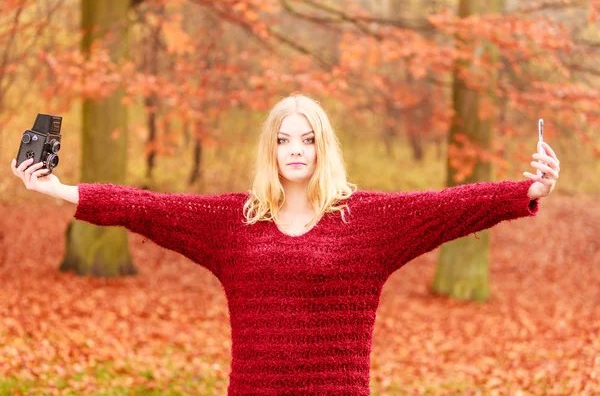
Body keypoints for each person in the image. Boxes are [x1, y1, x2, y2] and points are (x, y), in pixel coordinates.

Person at [11, 94, 560, 395]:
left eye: (307, 139)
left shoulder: (366, 220)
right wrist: (60, 189)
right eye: (283, 139)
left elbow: (449, 206)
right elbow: (147, 208)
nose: (295, 150)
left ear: (324, 148)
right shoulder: (235, 220)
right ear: (269, 150)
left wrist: (528, 190)